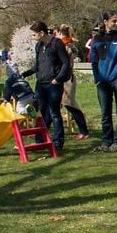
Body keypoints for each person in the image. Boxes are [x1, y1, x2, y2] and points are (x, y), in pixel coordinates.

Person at [22, 21, 72, 152]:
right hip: (41, 84)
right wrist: (24, 74)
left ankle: (58, 142)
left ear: (41, 33)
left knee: (54, 112)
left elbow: (66, 63)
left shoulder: (57, 44)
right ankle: (40, 139)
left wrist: (58, 79)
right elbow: (37, 66)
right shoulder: (39, 46)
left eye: (34, 35)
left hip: (53, 84)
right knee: (42, 112)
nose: (32, 37)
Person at [90, 10, 117, 152]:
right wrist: (97, 78)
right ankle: (106, 141)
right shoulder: (98, 39)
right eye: (113, 21)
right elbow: (94, 61)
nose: (116, 23)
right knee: (105, 113)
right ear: (105, 22)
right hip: (102, 81)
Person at [55, 25, 90, 140]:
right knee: (64, 104)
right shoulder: (68, 44)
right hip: (67, 78)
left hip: (66, 79)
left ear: (60, 33)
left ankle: (84, 131)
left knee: (70, 104)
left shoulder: (66, 46)